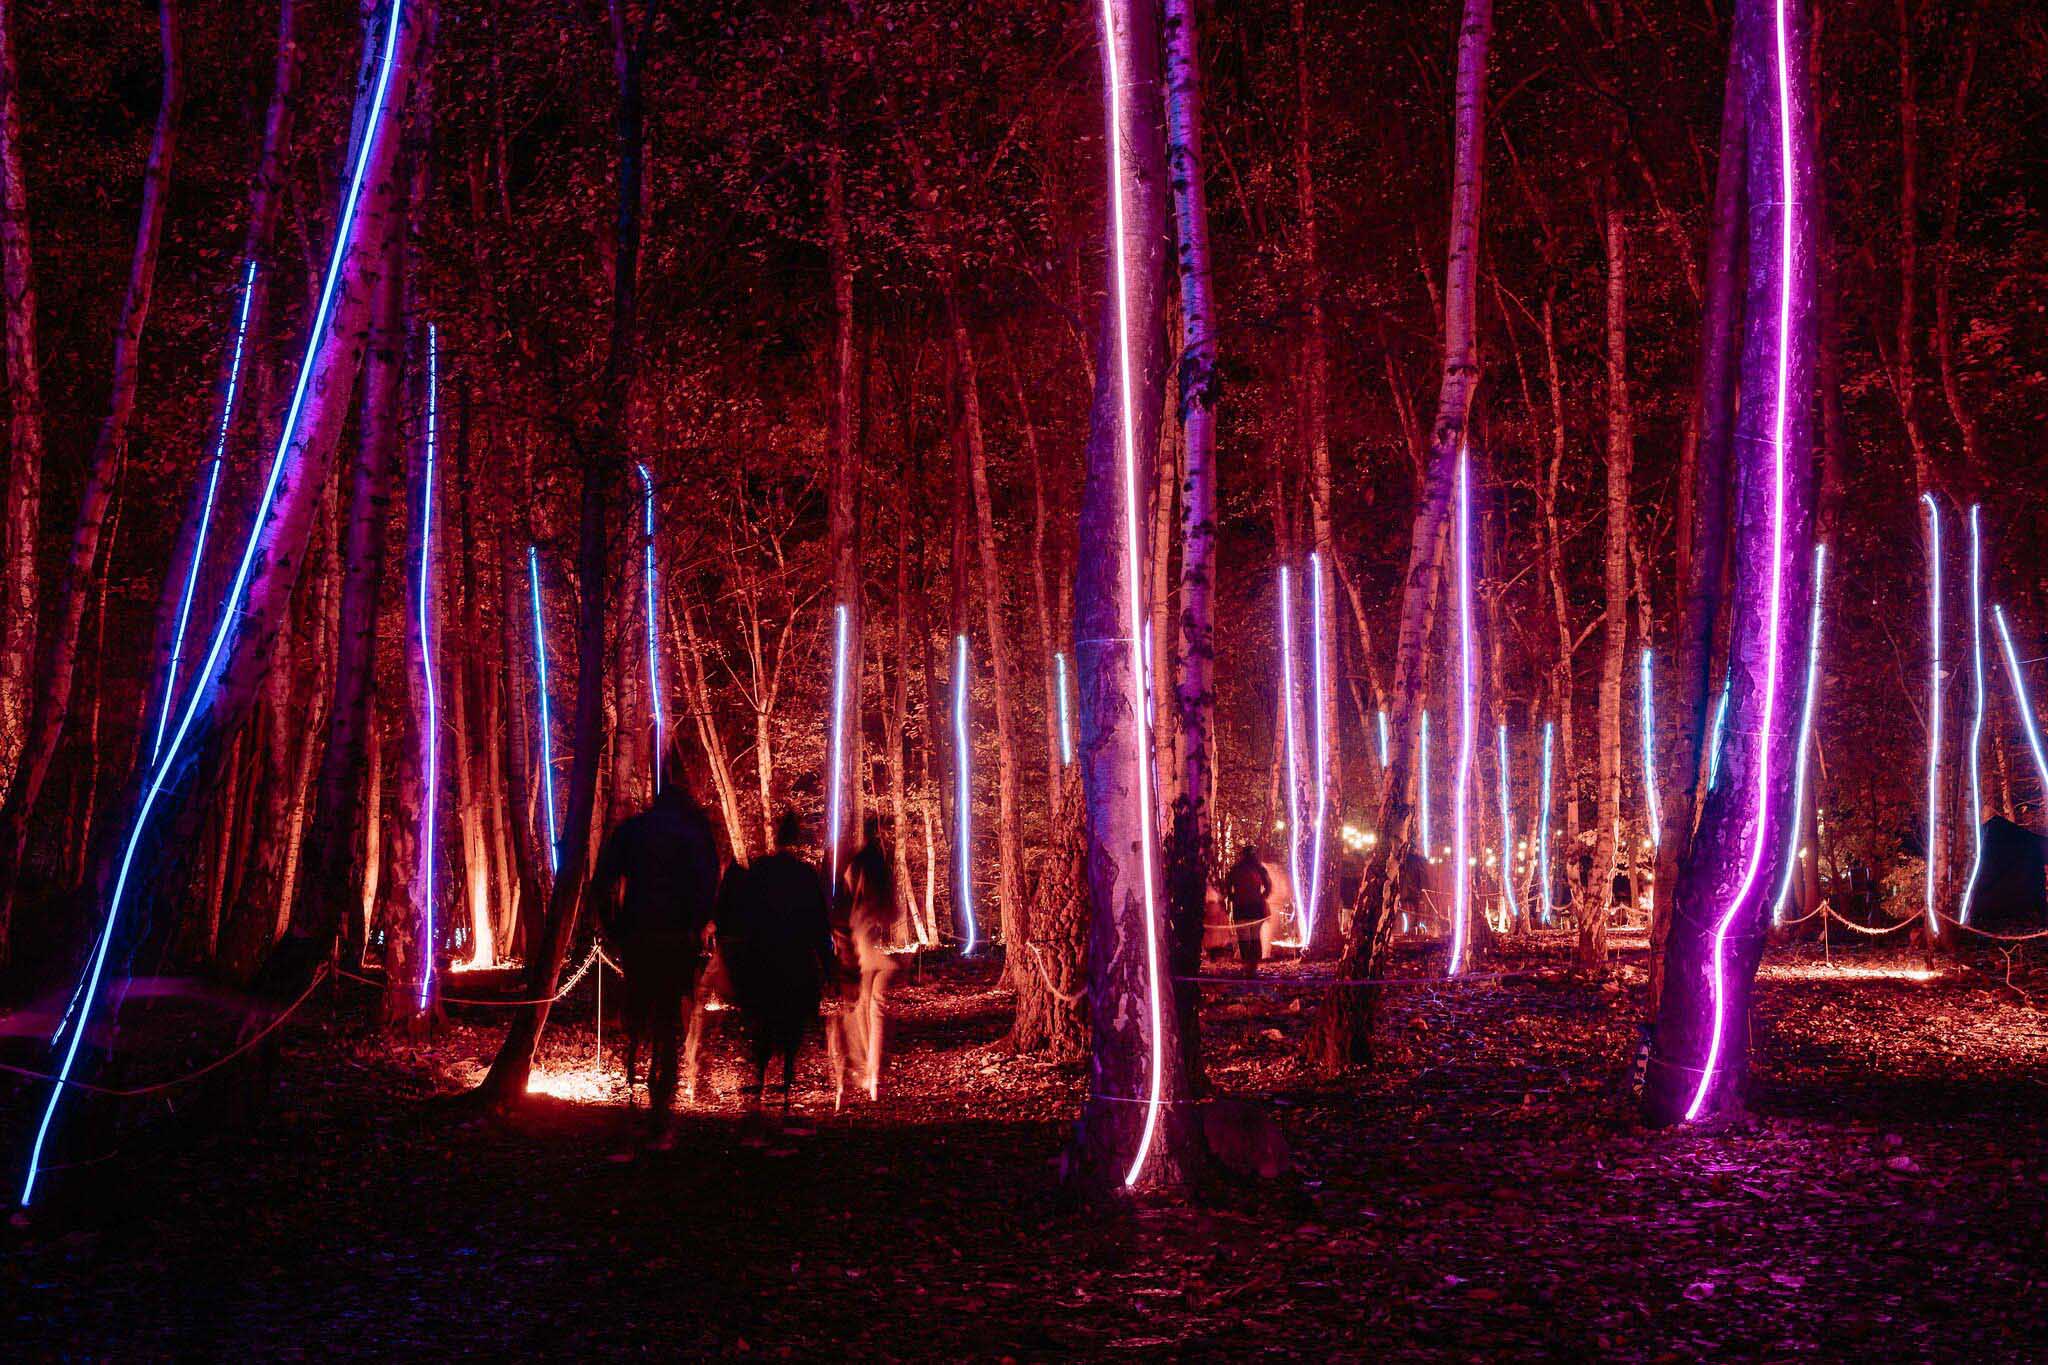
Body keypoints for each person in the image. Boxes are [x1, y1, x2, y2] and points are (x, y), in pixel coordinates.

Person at [588, 768, 722, 1148]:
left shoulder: (633, 831)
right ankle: (659, 1112)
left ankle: (635, 1100)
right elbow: (708, 884)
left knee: (641, 1015)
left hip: (639, 936)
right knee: (666, 1024)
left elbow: (601, 882)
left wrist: (613, 927)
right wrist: (697, 925)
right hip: (676, 939)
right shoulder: (695, 834)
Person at [716, 811, 835, 1118]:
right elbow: (819, 926)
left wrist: (736, 960)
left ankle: (759, 1083)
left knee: (763, 1026)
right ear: (796, 839)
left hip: (762, 961)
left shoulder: (760, 871)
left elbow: (740, 917)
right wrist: (830, 968)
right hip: (794, 962)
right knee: (791, 1027)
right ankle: (785, 1088)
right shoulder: (805, 876)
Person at [830, 817, 897, 1105]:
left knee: (865, 1007)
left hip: (861, 940)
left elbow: (845, 902)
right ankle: (872, 1075)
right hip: (870, 943)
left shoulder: (857, 864)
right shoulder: (877, 864)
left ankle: (868, 1074)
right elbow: (891, 910)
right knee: (874, 1007)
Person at [1225, 844, 1273, 978]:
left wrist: (1233, 897)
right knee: (1254, 937)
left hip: (1242, 907)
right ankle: (1252, 966)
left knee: (1245, 938)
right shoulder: (1259, 869)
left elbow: (1227, 886)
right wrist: (1261, 897)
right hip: (1255, 907)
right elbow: (1268, 886)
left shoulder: (1236, 870)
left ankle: (1248, 966)